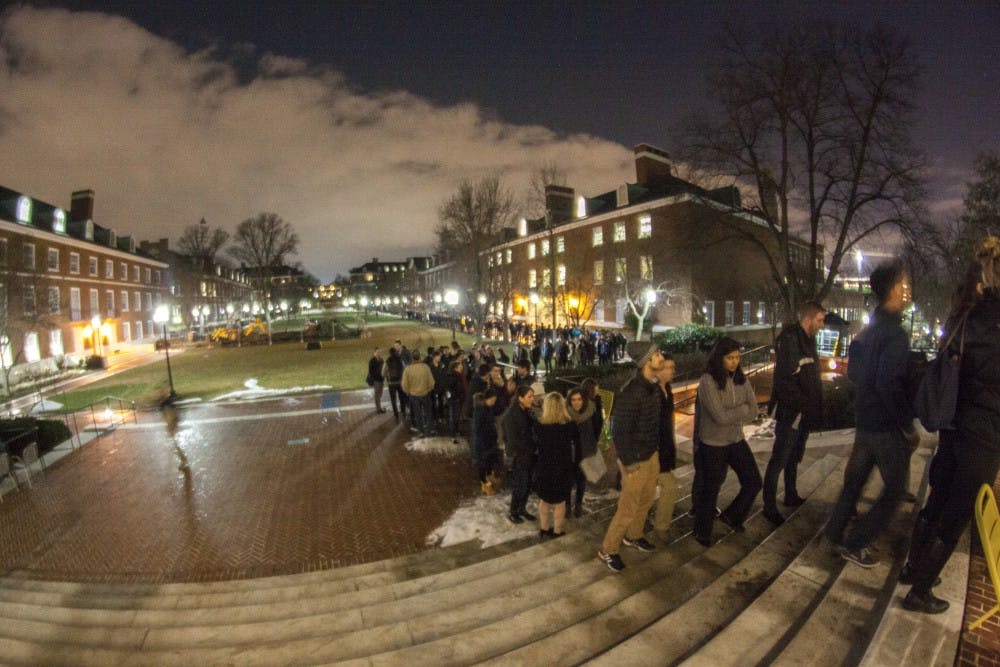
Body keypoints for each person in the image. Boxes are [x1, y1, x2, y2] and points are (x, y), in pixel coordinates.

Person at [901, 237, 1000, 614]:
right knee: (955, 515)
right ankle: (920, 590)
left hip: (955, 425)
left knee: (938, 499)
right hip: (984, 433)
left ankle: (914, 568)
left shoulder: (967, 315)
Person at [825, 260, 919, 567]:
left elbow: (857, 373)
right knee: (895, 490)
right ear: (893, 289)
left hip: (865, 420)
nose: (908, 290)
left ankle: (836, 533)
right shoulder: (894, 334)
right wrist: (906, 425)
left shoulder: (870, 330)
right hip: (884, 427)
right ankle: (857, 542)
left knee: (854, 482)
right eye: (904, 284)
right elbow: (888, 382)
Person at [597, 343, 668, 572]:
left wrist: (656, 450)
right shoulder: (632, 391)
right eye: (656, 354)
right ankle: (608, 549)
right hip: (635, 460)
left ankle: (634, 535)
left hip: (650, 455)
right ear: (646, 361)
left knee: (647, 499)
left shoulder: (654, 387)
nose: (661, 357)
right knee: (627, 507)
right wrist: (628, 462)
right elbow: (619, 430)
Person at [693, 337, 762, 546]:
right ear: (719, 358)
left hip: (736, 439)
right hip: (713, 443)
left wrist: (740, 411)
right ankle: (702, 531)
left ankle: (732, 516)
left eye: (737, 357)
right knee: (711, 489)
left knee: (753, 481)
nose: (734, 362)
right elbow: (719, 417)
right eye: (730, 358)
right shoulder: (708, 381)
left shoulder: (741, 378)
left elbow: (755, 409)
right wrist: (742, 410)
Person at [762, 302, 826, 525]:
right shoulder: (791, 341)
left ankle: (790, 494)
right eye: (819, 319)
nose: (822, 324)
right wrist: (803, 404)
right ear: (808, 319)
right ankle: (768, 506)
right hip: (792, 412)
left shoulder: (808, 341)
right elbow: (785, 381)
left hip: (803, 412)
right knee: (780, 458)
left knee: (793, 456)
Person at [533, 392, 579, 540]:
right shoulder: (570, 426)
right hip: (562, 468)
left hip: (544, 467)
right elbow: (577, 444)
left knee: (544, 500)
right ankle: (557, 531)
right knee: (560, 502)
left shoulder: (539, 426)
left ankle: (543, 529)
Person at [502, 385, 538, 523]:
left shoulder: (527, 411)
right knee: (520, 485)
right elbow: (512, 439)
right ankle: (513, 511)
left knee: (528, 484)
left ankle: (522, 508)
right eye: (529, 396)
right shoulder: (512, 415)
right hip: (520, 456)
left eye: (532, 396)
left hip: (529, 454)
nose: (532, 399)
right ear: (520, 398)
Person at [653, 353, 678, 537]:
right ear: (659, 370)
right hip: (653, 451)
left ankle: (659, 525)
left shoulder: (667, 390)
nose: (673, 371)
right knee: (669, 487)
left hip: (664, 450)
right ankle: (661, 527)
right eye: (669, 367)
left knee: (645, 493)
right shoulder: (652, 392)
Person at [567, 387, 597, 518]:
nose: (576, 402)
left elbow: (597, 431)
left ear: (584, 400)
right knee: (568, 480)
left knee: (581, 480)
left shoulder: (591, 412)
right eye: (573, 400)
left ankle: (578, 504)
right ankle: (567, 505)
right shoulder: (566, 415)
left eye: (579, 399)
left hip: (584, 451)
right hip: (569, 452)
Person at [472, 388, 502, 495]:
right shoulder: (480, 410)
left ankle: (489, 476)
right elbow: (477, 428)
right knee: (482, 463)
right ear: (487, 398)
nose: (494, 402)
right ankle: (484, 483)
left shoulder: (488, 408)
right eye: (493, 400)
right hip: (483, 443)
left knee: (489, 461)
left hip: (490, 441)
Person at [401, 350, 435, 435]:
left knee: (417, 414)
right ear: (420, 357)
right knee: (428, 412)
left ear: (412, 358)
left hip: (414, 395)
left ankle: (420, 431)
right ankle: (430, 428)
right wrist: (429, 389)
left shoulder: (408, 369)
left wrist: (408, 391)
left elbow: (404, 384)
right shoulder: (425, 367)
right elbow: (431, 382)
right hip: (425, 393)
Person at [383, 346, 407, 420]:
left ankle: (396, 414)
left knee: (393, 399)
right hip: (400, 382)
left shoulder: (387, 361)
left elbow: (383, 372)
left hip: (391, 383)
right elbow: (404, 369)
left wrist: (386, 377)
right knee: (402, 397)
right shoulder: (400, 359)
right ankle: (403, 411)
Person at [367, 347, 386, 414]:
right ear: (374, 353)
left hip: (381, 380)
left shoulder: (381, 360)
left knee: (380, 394)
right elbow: (371, 371)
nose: (379, 353)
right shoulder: (372, 361)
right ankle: (378, 409)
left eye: (379, 352)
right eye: (377, 352)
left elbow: (384, 368)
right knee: (377, 394)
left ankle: (379, 406)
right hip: (376, 380)